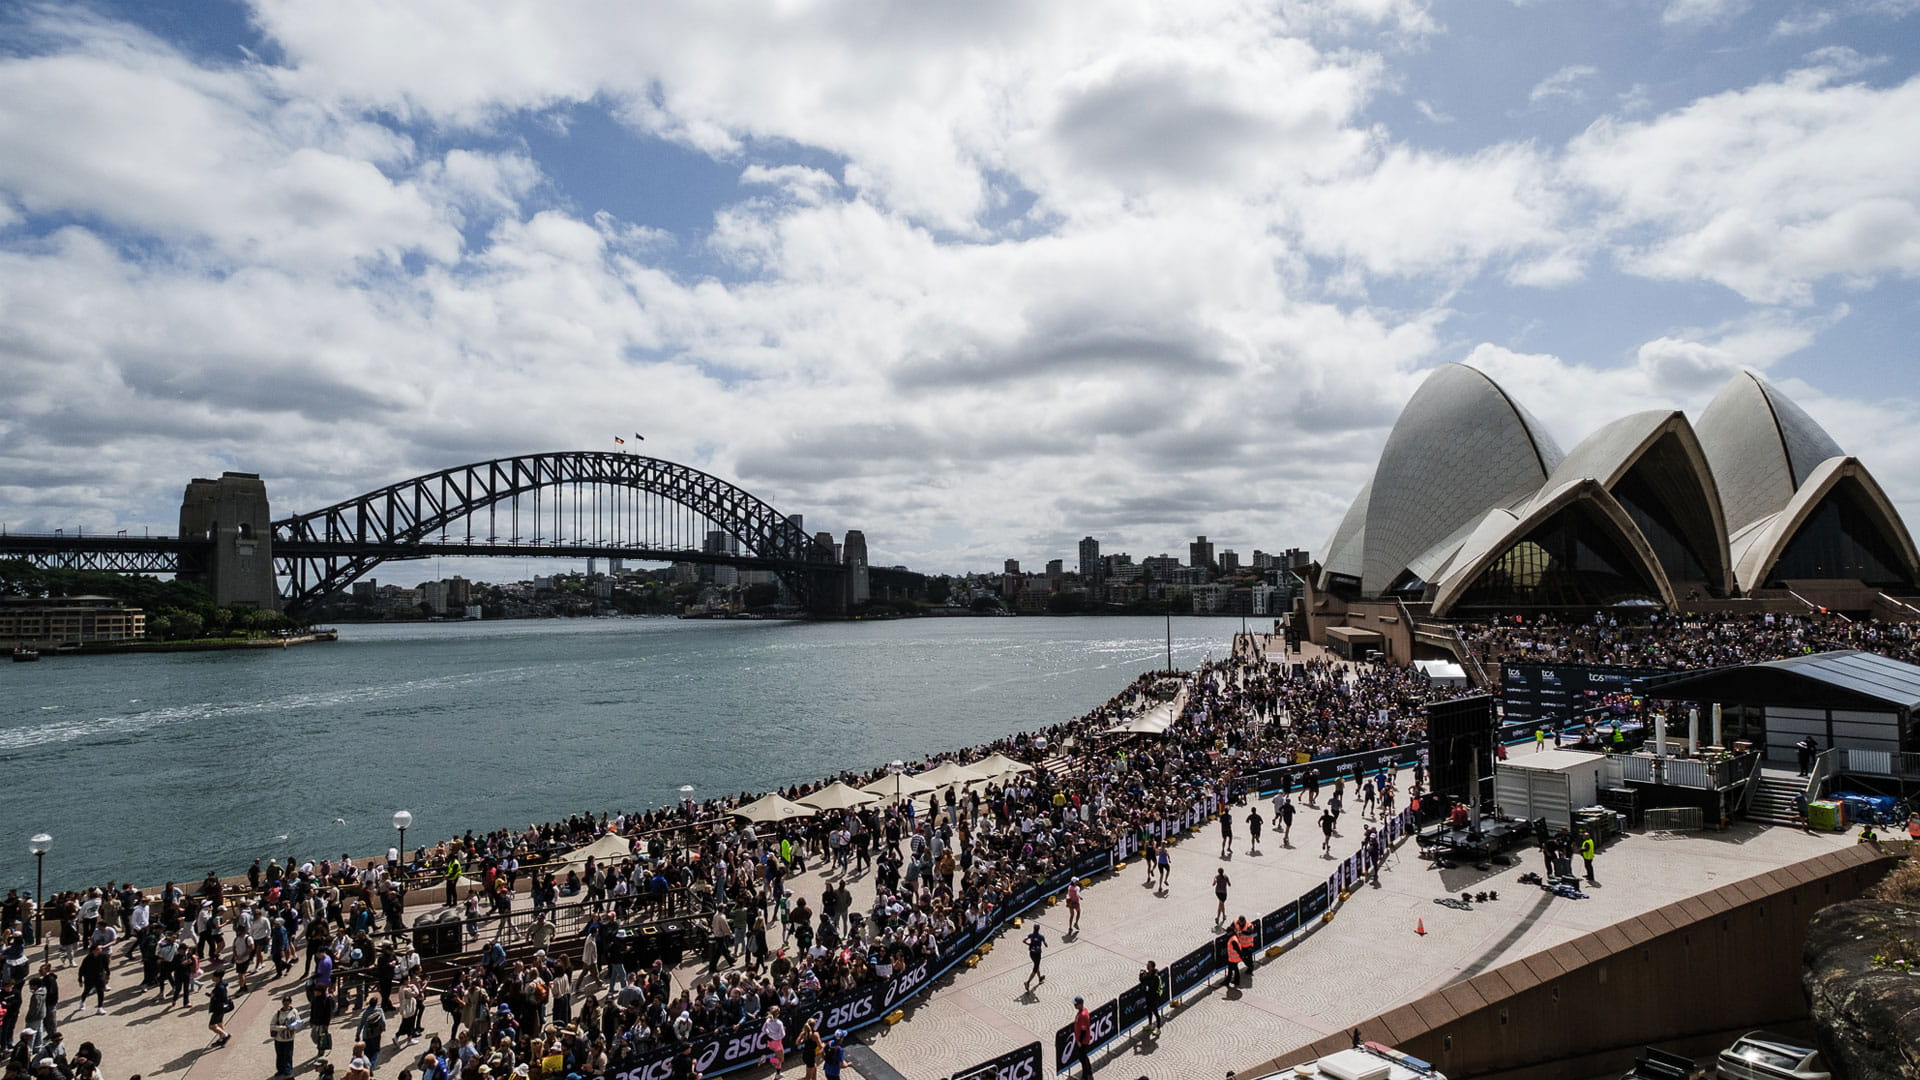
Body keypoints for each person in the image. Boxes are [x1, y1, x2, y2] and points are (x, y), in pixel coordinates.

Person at [271, 995, 302, 1078]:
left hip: (289, 1038)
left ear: (290, 1003)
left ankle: (288, 1070)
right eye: (285, 1003)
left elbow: (299, 1023)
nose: (286, 1005)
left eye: (288, 1003)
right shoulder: (278, 1013)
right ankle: (280, 1070)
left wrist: (293, 1027)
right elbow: (272, 1026)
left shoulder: (294, 1011)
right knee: (280, 1055)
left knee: (288, 1055)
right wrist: (284, 1027)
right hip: (279, 1039)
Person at [1136, 960, 1165, 1033]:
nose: (1147, 966)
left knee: (1155, 1012)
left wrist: (1143, 976)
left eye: (1148, 965)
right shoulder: (1151, 974)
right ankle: (1150, 1024)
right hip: (1149, 996)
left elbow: (1144, 980)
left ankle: (1158, 1028)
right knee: (1148, 1010)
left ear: (1152, 967)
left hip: (1154, 997)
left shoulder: (1154, 976)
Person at [206, 970, 232, 1047]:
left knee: (212, 1026)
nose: (212, 978)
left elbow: (222, 998)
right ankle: (222, 1039)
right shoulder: (220, 985)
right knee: (219, 1023)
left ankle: (225, 1035)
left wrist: (213, 997)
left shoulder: (220, 987)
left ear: (217, 977)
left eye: (213, 976)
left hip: (218, 1008)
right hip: (221, 1008)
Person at [1071, 996, 1095, 1080]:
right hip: (1082, 1040)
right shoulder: (1081, 1012)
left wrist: (1079, 1041)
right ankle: (1089, 1071)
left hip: (1083, 1041)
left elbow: (1084, 1030)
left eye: (1076, 1004)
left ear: (1081, 1004)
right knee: (1083, 1057)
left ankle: (1085, 1075)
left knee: (1082, 1058)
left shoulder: (1083, 1015)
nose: (1075, 1006)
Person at [762, 1004, 787, 1078]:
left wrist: (769, 1033)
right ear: (778, 1014)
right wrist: (780, 1033)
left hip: (770, 1042)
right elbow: (783, 1035)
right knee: (781, 1059)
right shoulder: (779, 1023)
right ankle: (767, 1059)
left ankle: (778, 1074)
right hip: (777, 1043)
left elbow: (763, 1030)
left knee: (778, 1058)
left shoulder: (768, 1020)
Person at [1023, 926, 1048, 991]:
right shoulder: (1041, 937)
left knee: (1036, 966)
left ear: (1033, 928)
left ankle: (1040, 978)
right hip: (1037, 954)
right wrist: (1045, 944)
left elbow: (1024, 940)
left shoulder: (1030, 935)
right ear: (1039, 929)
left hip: (1031, 953)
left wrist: (1029, 944)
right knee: (1035, 968)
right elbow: (1045, 944)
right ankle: (1027, 982)